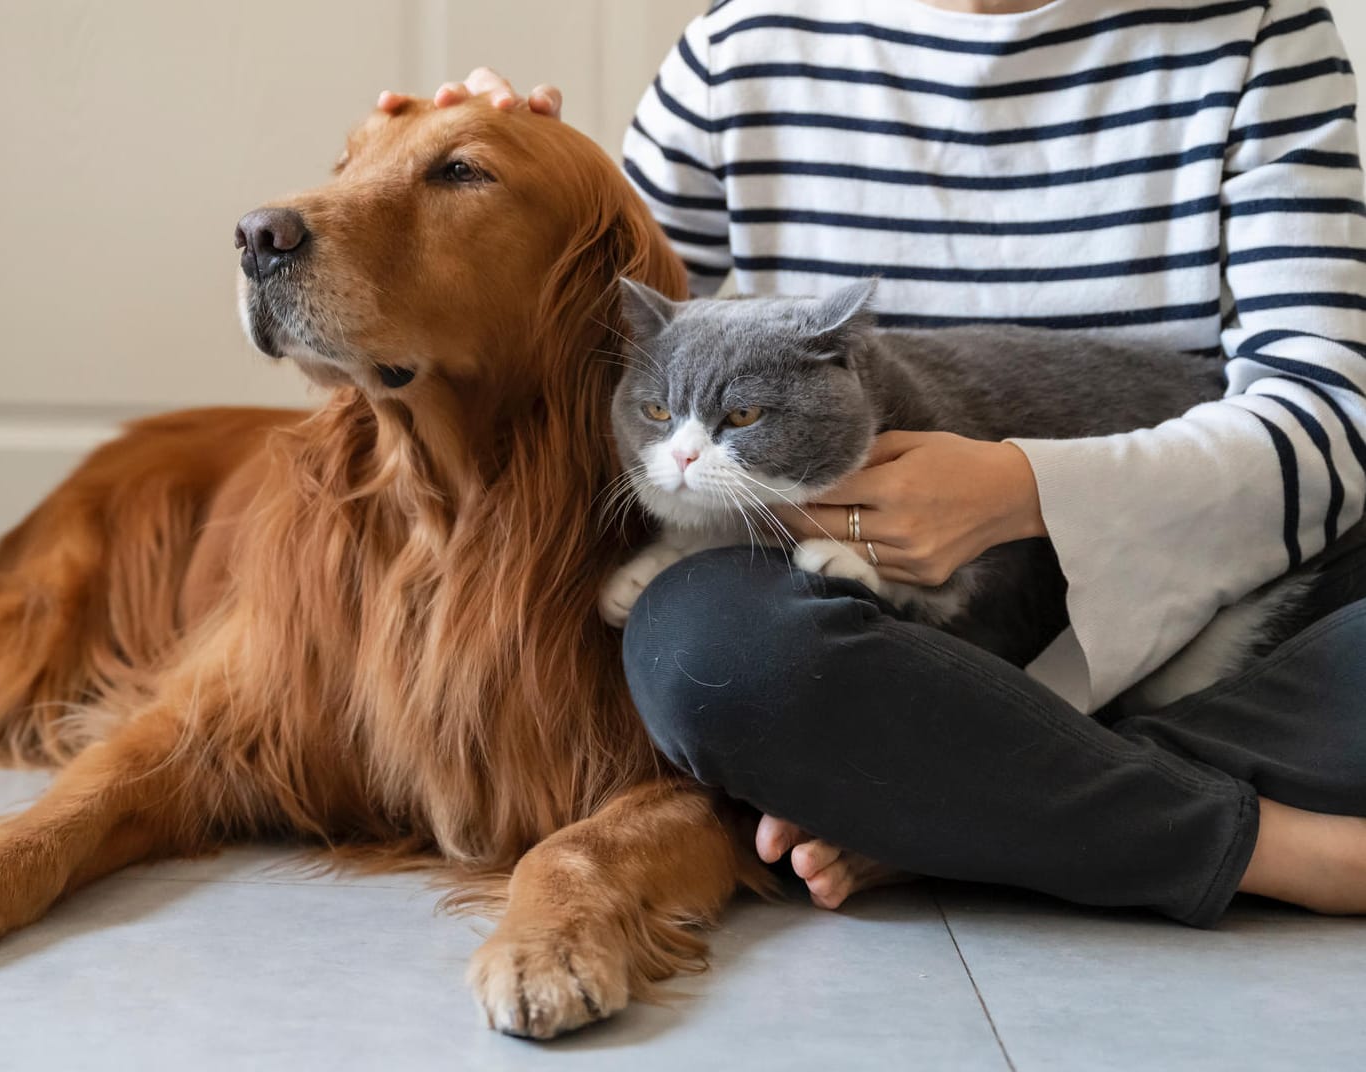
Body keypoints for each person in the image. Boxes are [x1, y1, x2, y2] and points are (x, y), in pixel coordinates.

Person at [381, 0, 1366, 927]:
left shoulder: (1261, 35)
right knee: (702, 649)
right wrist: (501, 178)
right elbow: (606, 343)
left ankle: (954, 807)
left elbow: (1328, 417)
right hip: (878, 636)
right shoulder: (742, 48)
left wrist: (1020, 490)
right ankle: (1267, 846)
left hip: (1215, 598)